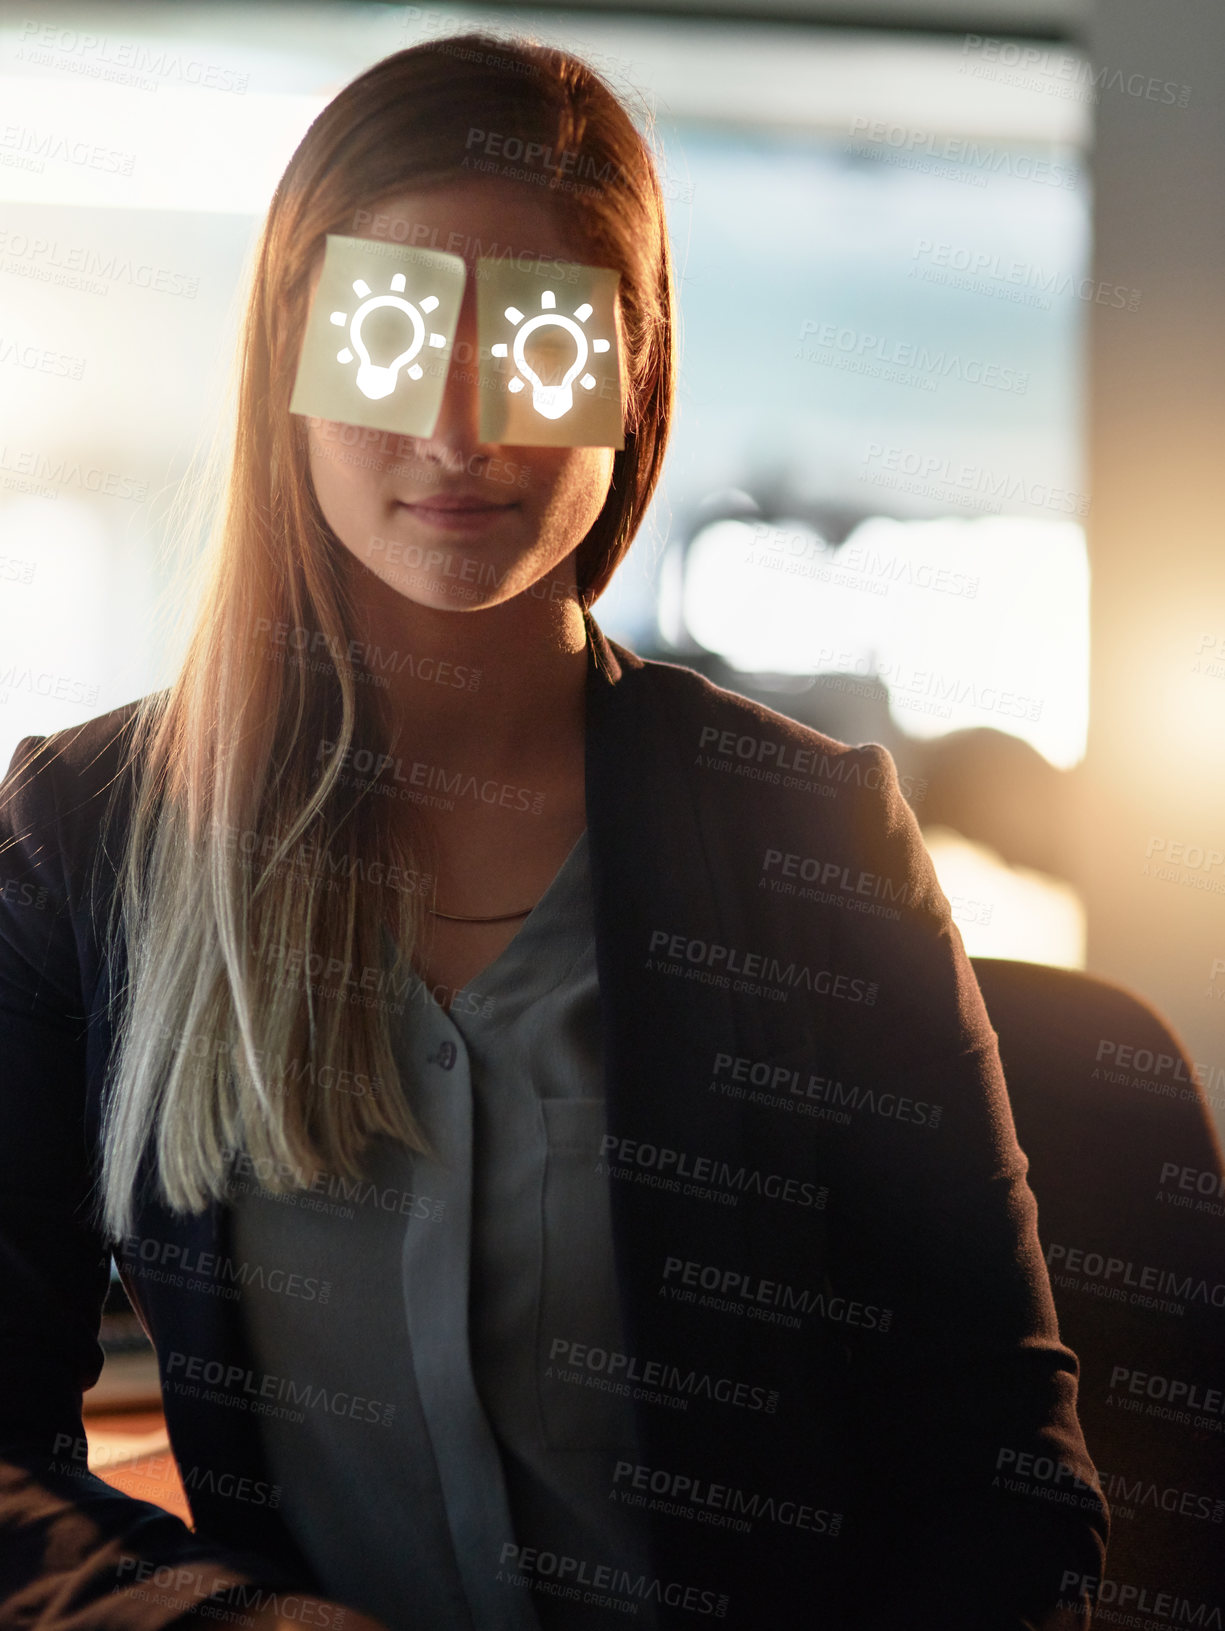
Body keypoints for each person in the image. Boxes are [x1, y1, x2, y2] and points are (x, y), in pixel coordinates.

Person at [0, 33, 1108, 1631]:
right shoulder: (88, 849)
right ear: (294, 356)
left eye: (540, 349)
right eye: (394, 335)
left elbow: (997, 1484)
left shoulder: (806, 842)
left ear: (635, 377)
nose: (463, 436)